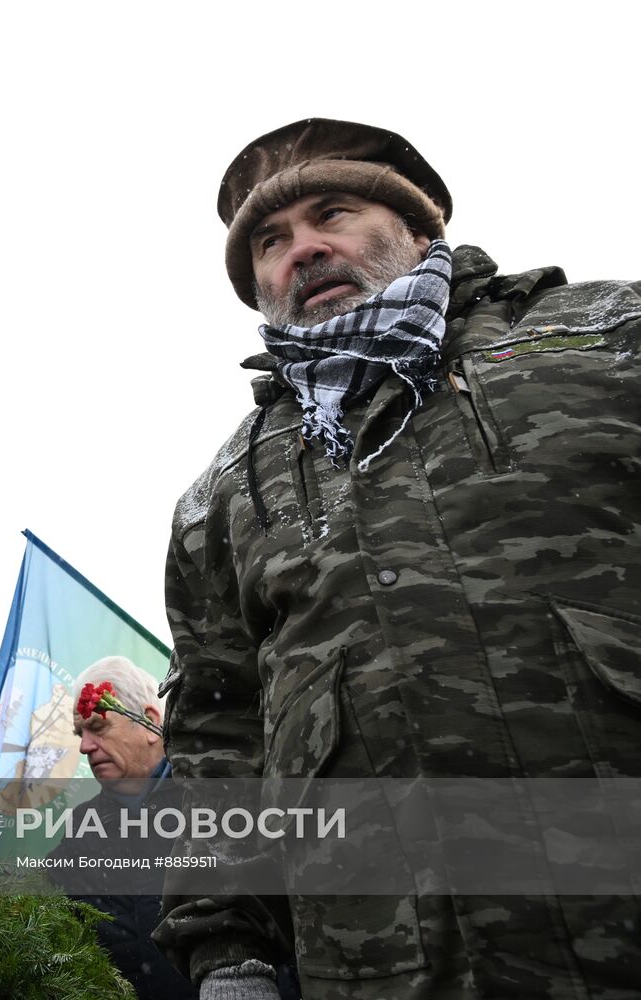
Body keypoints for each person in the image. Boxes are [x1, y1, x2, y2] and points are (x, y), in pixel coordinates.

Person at [153, 118, 641, 999]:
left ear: (418, 229)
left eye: (330, 214)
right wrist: (231, 953)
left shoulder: (607, 340)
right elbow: (216, 737)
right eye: (271, 241)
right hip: (384, 966)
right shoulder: (221, 495)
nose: (302, 251)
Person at [46, 656, 194, 1000]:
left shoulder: (213, 797)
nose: (84, 746)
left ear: (149, 722)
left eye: (97, 728)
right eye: (80, 733)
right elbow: (40, 903)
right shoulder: (82, 826)